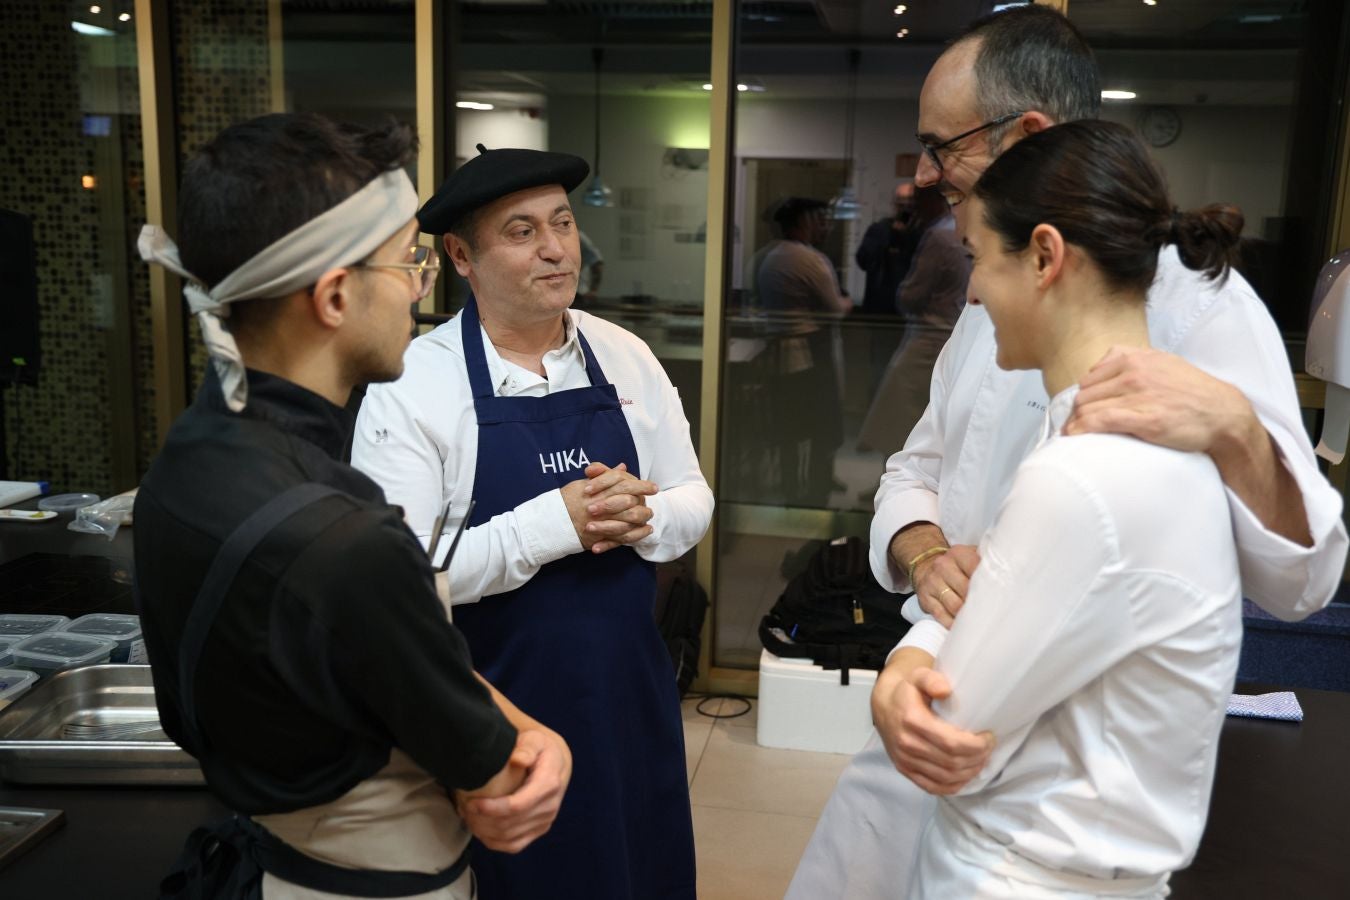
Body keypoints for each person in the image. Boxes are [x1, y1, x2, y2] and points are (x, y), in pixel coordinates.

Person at [789, 7, 1347, 897]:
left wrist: (1236, 428)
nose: (929, 173)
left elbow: (1306, 578)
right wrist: (923, 555)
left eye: (942, 146)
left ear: (1029, 136)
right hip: (944, 711)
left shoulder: (1197, 307)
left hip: (1052, 783)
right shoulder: (994, 300)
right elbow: (915, 469)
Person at [134, 113, 570, 900]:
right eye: (408, 261)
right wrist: (546, 745)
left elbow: (383, 657)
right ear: (334, 296)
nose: (418, 287)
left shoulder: (189, 454)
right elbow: (499, 771)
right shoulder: (342, 538)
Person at [351, 144, 712, 900]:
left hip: (629, 692)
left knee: (640, 869)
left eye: (563, 223)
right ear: (460, 256)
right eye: (521, 232)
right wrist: (554, 524)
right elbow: (402, 581)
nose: (556, 249)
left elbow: (693, 498)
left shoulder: (625, 355)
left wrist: (637, 516)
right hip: (495, 706)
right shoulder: (413, 384)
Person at [920, 119, 1244, 898]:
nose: (971, 291)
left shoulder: (1088, 474)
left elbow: (953, 729)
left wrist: (904, 675)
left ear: (1043, 256)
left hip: (1025, 874)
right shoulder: (1125, 440)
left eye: (978, 260)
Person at [755, 197, 852, 506]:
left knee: (787, 428)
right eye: (818, 219)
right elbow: (835, 308)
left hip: (779, 353)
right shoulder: (809, 258)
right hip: (808, 353)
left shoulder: (768, 256)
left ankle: (790, 487)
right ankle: (814, 491)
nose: (823, 226)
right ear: (803, 222)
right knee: (818, 426)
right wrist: (847, 302)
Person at [857, 185, 969, 453]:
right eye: (905, 202)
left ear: (936, 200)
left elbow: (909, 296)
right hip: (947, 333)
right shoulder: (954, 231)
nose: (911, 208)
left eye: (916, 200)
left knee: (899, 422)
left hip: (927, 337)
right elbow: (865, 259)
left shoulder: (938, 236)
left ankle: (891, 484)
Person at [855, 180, 918, 316]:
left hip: (911, 307)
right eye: (901, 201)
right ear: (895, 204)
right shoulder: (879, 229)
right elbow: (863, 260)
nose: (906, 205)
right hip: (880, 306)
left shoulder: (922, 233)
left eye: (910, 200)